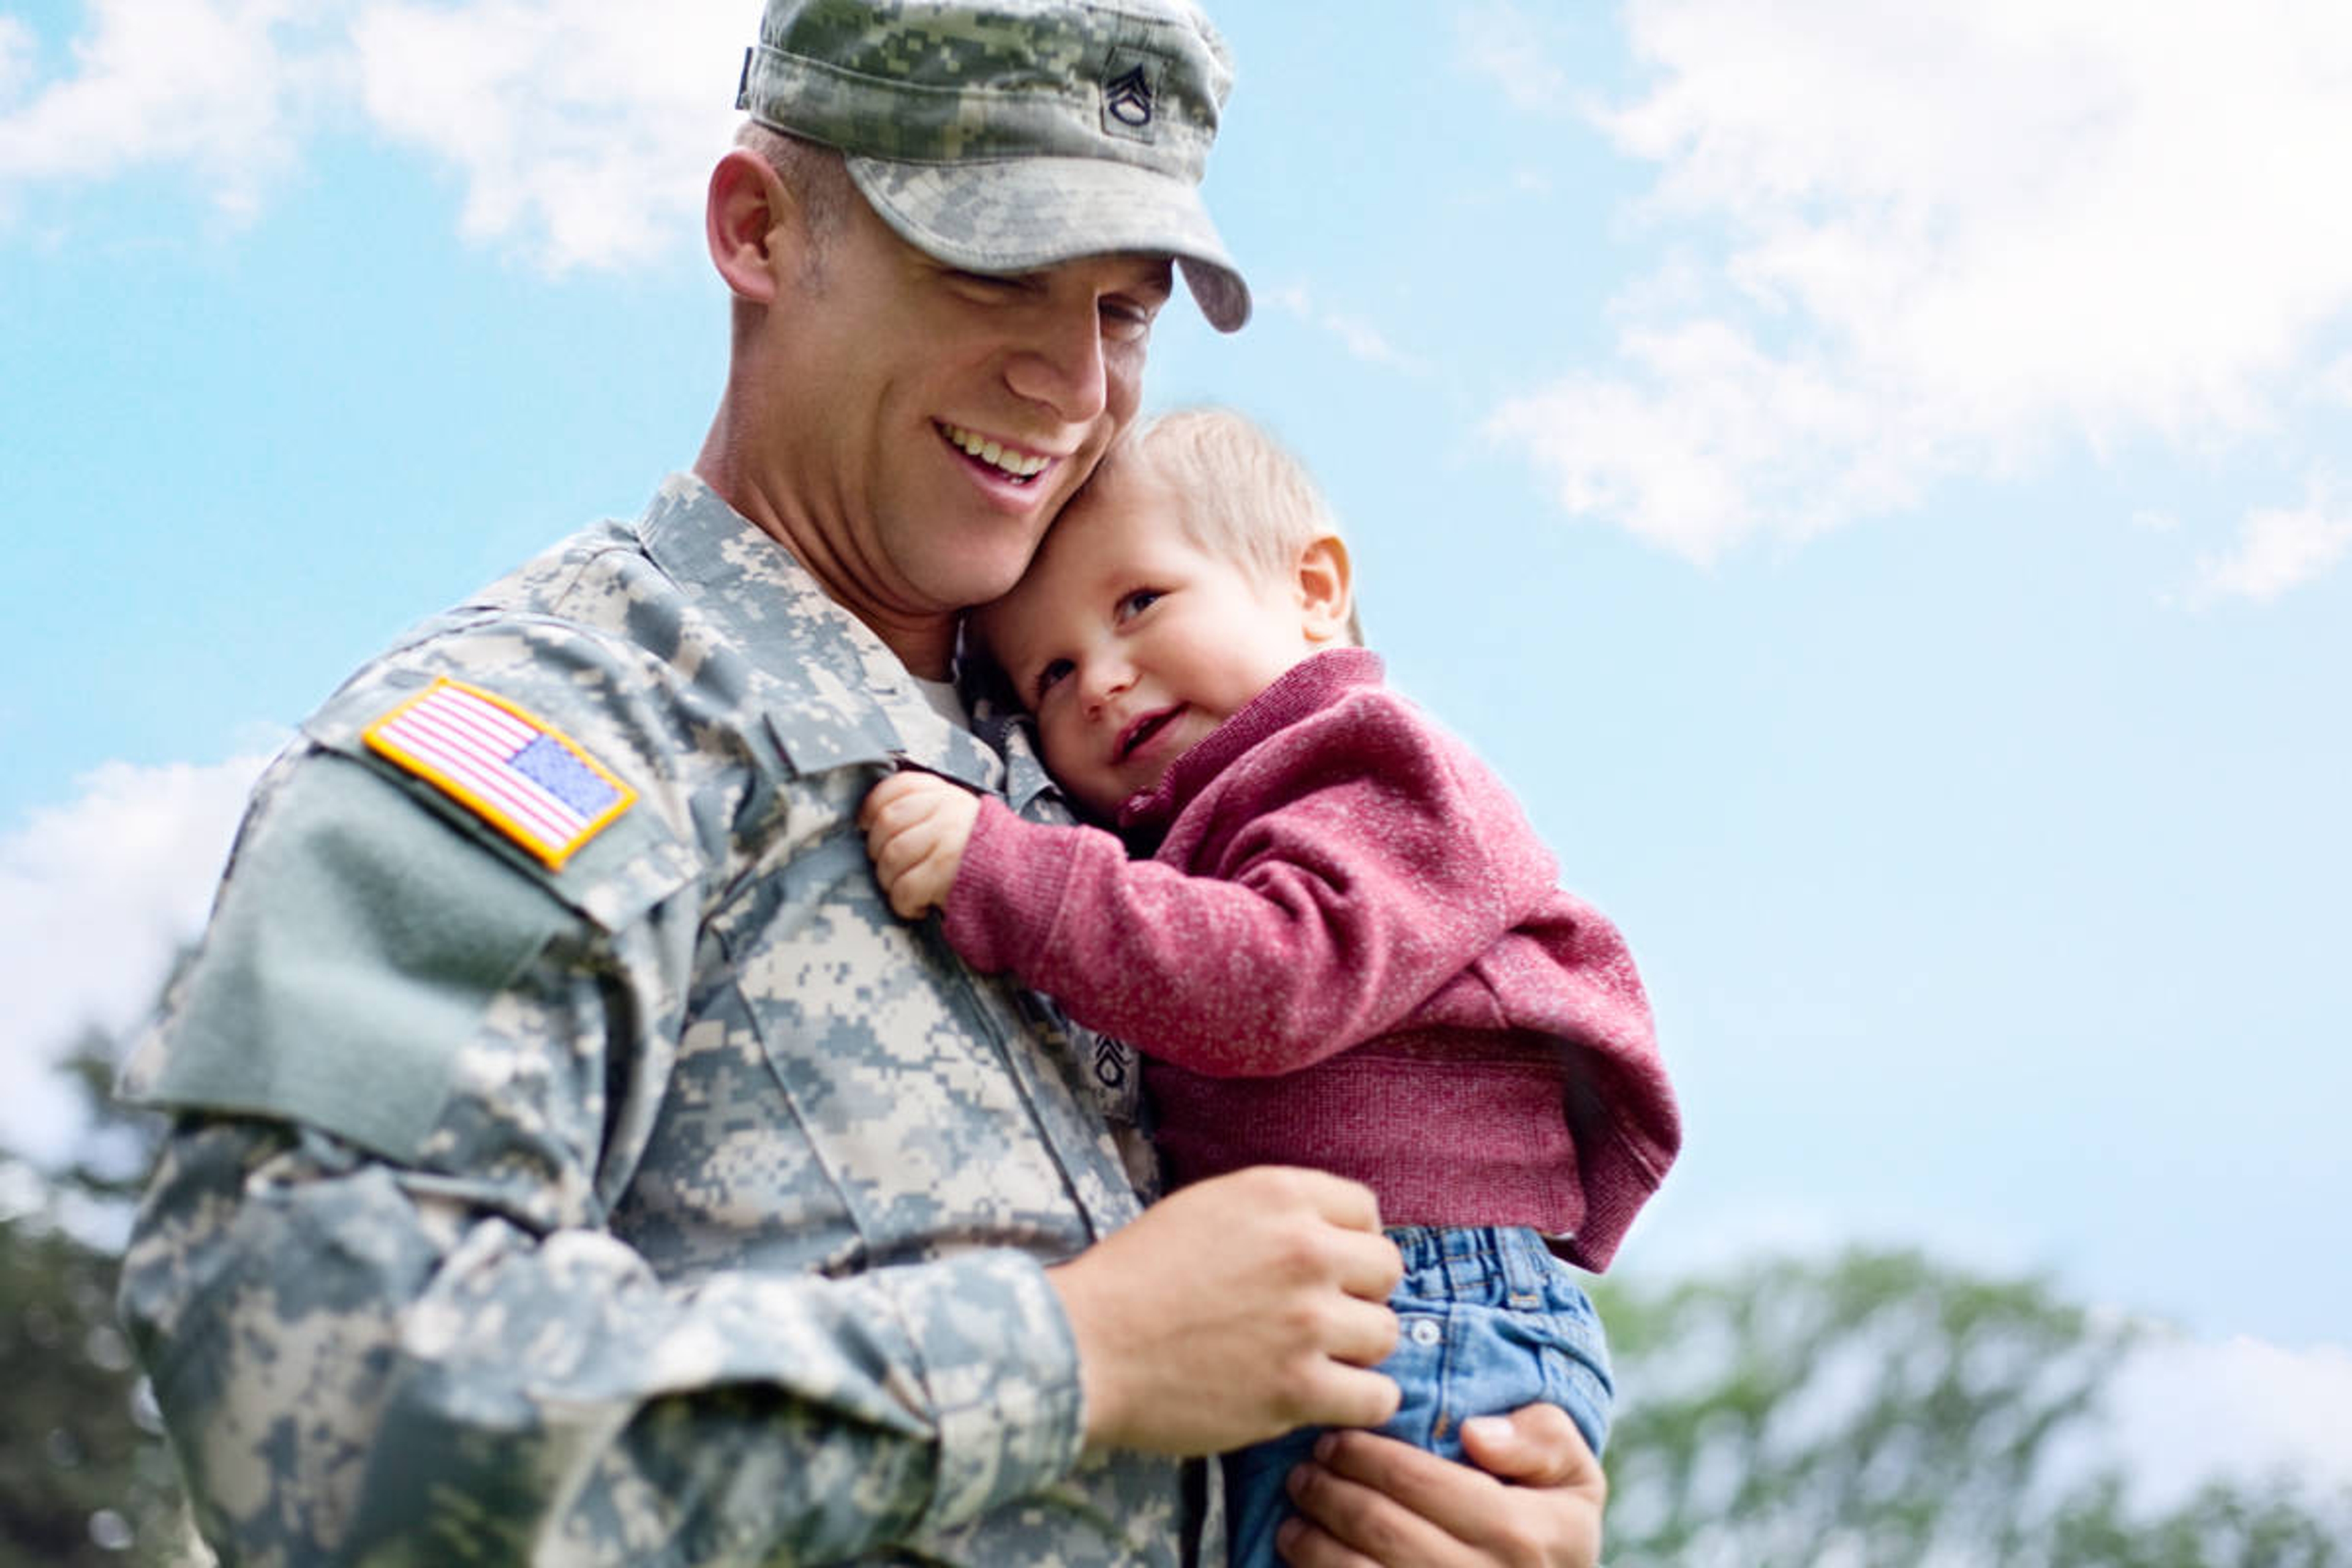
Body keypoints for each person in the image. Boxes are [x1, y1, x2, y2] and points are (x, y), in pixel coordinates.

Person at [114, 1, 1611, 1564]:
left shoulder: (1124, 768)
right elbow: (303, 1397)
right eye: (993, 269)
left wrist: (1468, 1482)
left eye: (1123, 308)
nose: (1069, 379)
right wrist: (1074, 1354)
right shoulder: (549, 721)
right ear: (758, 228)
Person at [859, 407, 1681, 1566]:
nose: (1097, 679)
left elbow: (1276, 979)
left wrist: (1004, 872)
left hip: (1419, 1296)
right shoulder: (1192, 821)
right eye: (1048, 674)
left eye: (1138, 603)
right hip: (1331, 1301)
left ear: (1313, 588)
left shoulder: (1367, 764)